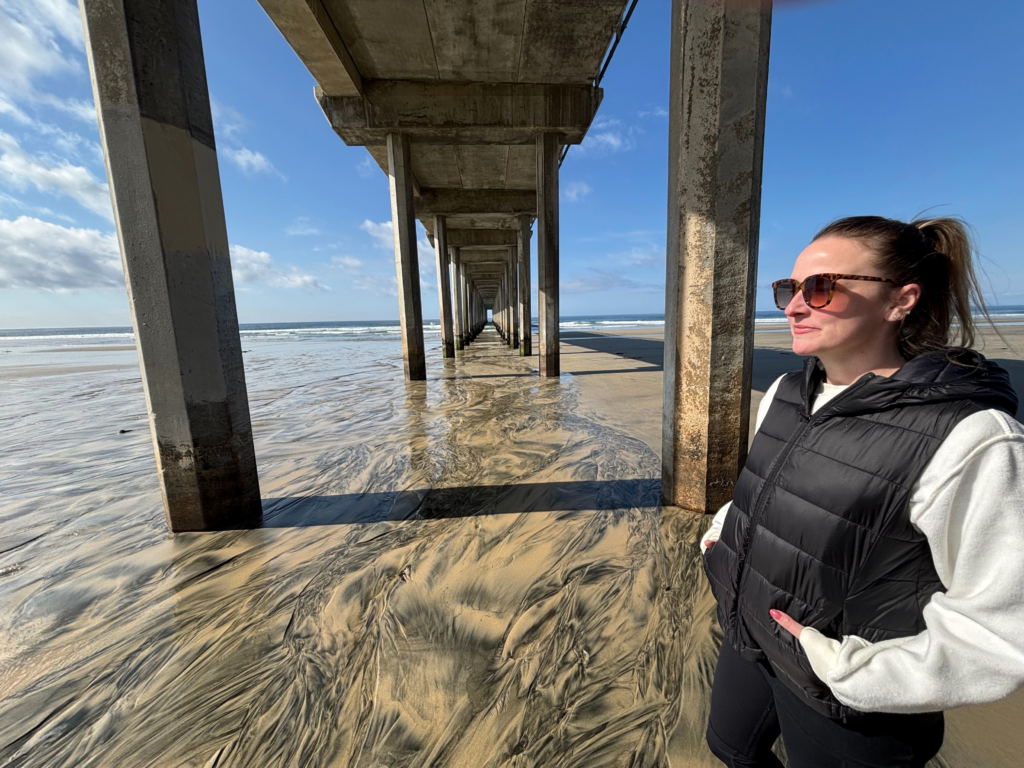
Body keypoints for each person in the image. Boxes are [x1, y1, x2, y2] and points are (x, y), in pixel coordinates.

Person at [700, 215, 1024, 768]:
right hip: (751, 633)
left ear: (900, 300)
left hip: (849, 701)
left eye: (820, 287)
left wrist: (848, 670)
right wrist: (720, 539)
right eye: (789, 288)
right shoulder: (785, 392)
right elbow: (764, 491)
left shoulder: (972, 438)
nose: (793, 306)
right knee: (730, 747)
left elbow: (1000, 630)